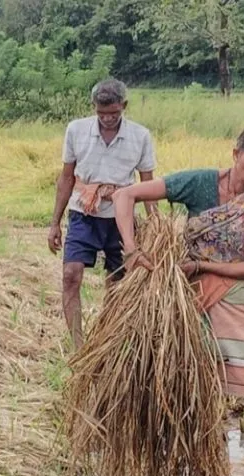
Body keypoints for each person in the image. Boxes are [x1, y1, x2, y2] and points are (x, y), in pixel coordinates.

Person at [110, 123, 244, 476]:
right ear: (235, 153)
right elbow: (124, 195)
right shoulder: (199, 184)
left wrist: (204, 265)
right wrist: (130, 249)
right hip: (193, 303)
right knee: (189, 388)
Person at [49, 78, 159, 350]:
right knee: (70, 274)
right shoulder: (76, 130)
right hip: (83, 213)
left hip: (120, 217)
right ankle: (78, 347)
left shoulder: (140, 136)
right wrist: (54, 223)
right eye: (102, 113)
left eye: (113, 113)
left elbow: (148, 185)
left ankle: (106, 339)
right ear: (94, 108)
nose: (108, 119)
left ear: (124, 106)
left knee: (117, 280)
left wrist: (155, 226)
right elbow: (66, 178)